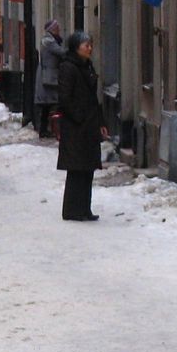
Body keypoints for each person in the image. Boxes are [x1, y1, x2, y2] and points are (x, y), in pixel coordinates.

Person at [56, 29, 108, 221]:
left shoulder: (87, 66)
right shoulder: (68, 67)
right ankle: (72, 209)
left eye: (90, 45)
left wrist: (100, 122)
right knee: (76, 169)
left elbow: (94, 98)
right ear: (76, 47)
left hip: (89, 124)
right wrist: (79, 117)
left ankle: (85, 208)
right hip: (76, 127)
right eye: (86, 45)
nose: (90, 48)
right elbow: (64, 98)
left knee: (87, 168)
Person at [35, 19, 65, 138]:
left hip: (49, 76)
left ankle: (46, 129)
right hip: (49, 77)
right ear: (52, 29)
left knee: (48, 104)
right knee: (49, 104)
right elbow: (61, 52)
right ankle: (47, 129)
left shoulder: (50, 40)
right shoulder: (49, 41)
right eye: (57, 28)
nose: (59, 30)